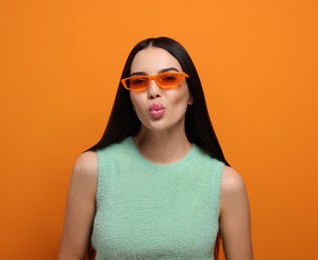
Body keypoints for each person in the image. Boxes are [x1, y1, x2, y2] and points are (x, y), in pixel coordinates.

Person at [58, 37, 253, 260]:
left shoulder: (225, 184)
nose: (152, 92)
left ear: (192, 94)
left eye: (168, 78)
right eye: (139, 82)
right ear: (130, 100)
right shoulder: (92, 169)